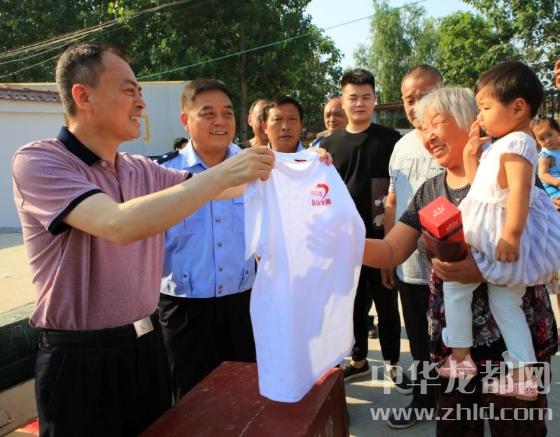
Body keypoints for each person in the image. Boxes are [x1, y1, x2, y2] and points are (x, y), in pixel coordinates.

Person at [11, 42, 274, 437]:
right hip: (81, 359)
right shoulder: (41, 161)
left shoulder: (140, 170)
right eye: (128, 91)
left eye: (140, 92)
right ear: (83, 96)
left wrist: (298, 168)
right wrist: (223, 174)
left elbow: (219, 189)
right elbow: (117, 224)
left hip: (146, 348)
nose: (141, 103)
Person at [363, 86, 557, 435]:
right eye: (422, 128)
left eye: (436, 123)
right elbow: (391, 250)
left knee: (517, 429)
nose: (428, 136)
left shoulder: (510, 171)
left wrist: (482, 271)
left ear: (470, 122)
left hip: (513, 346)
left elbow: (540, 245)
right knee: (457, 428)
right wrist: (340, 244)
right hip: (457, 350)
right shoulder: (429, 191)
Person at [439, 62, 560, 399]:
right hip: (495, 239)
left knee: (458, 288)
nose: (480, 116)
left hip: (499, 242)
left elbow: (519, 192)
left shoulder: (518, 143)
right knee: (504, 304)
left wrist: (512, 235)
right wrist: (472, 156)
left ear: (518, 108)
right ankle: (522, 374)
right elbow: (483, 188)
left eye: (485, 107)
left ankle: (461, 357)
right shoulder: (501, 145)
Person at [158, 79, 261, 399]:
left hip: (243, 305)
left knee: (245, 396)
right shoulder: (163, 174)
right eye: (208, 113)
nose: (221, 121)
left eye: (227, 113)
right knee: (190, 400)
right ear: (185, 120)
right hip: (184, 310)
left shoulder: (257, 168)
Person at [321, 68, 409, 392]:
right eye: (353, 97)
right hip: (344, 244)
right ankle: (358, 359)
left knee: (387, 306)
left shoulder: (390, 140)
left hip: (382, 239)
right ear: (342, 101)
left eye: (366, 97)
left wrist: (392, 239)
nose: (359, 103)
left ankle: (392, 362)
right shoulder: (328, 145)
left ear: (375, 100)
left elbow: (397, 190)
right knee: (352, 306)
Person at [382, 65, 443, 428]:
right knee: (418, 338)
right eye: (409, 98)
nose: (417, 104)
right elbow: (392, 200)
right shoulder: (401, 146)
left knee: (455, 339)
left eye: (425, 95)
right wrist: (388, 258)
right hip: (409, 266)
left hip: (452, 266)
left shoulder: (456, 140)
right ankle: (424, 399)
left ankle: (461, 404)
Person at [531, 117, 560, 198]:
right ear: (537, 141)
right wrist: (557, 182)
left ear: (558, 131)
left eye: (550, 135)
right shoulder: (546, 155)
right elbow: (543, 174)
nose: (547, 140)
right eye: (542, 139)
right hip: (554, 187)